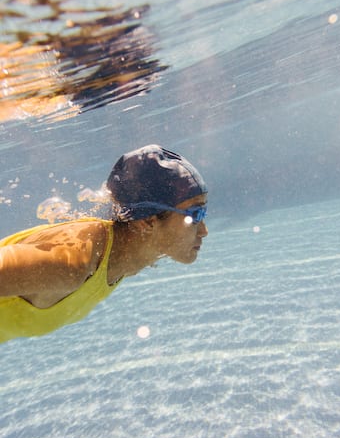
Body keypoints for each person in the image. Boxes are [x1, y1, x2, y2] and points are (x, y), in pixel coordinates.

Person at [0, 145, 208, 343]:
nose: (204, 230)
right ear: (147, 221)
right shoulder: (71, 263)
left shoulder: (123, 259)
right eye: (196, 214)